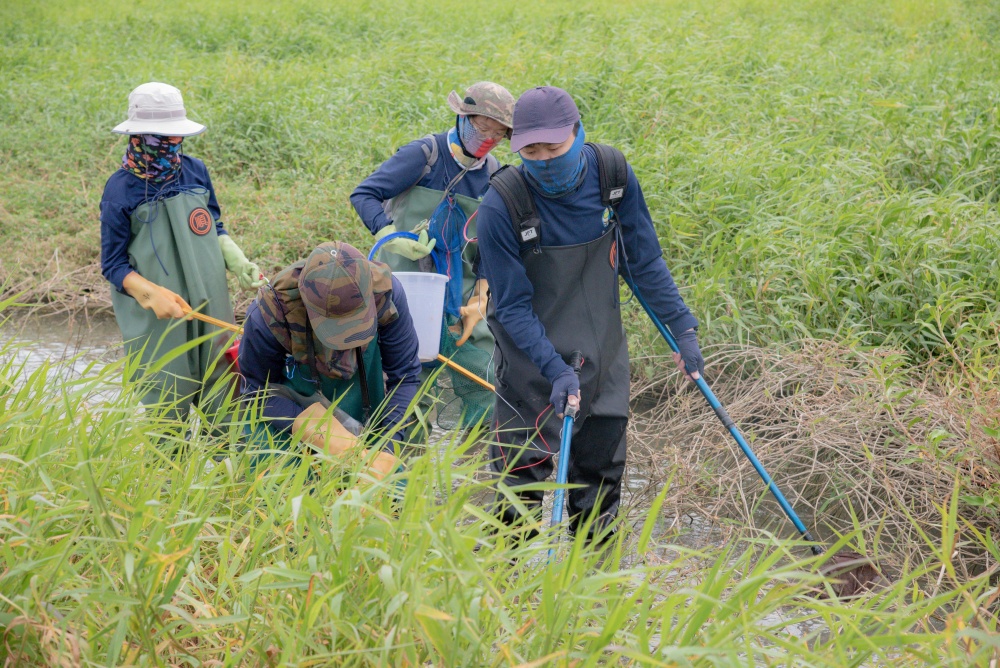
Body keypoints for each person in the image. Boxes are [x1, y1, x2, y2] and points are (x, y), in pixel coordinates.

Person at [476, 86, 706, 541]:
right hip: (531, 369)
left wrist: (682, 328)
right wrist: (554, 371)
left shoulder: (611, 176)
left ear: (578, 133)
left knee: (599, 496)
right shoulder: (501, 204)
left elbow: (643, 260)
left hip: (602, 362)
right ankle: (506, 600)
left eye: (554, 148)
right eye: (531, 151)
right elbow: (513, 307)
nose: (543, 160)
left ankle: (593, 601)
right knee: (517, 502)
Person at [349, 82, 514, 426]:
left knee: (483, 378)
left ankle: (477, 462)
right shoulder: (425, 156)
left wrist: (481, 293)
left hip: (460, 297)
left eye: (498, 134)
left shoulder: (492, 171)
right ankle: (404, 456)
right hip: (407, 290)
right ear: (462, 117)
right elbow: (364, 193)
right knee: (407, 381)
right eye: (482, 127)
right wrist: (388, 234)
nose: (488, 138)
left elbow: (489, 237)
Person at [100, 82, 264, 424]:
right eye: (164, 138)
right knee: (167, 410)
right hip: (160, 317)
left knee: (225, 403)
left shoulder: (195, 170)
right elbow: (112, 265)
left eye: (177, 138)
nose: (174, 145)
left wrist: (235, 258)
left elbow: (212, 223)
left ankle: (225, 471)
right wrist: (149, 293)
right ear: (140, 136)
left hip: (210, 300)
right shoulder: (120, 189)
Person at [238, 241, 422, 476]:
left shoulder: (386, 294)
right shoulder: (272, 311)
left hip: (368, 412)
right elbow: (256, 392)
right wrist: (324, 435)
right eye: (335, 329)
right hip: (292, 416)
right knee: (280, 486)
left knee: (394, 489)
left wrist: (386, 450)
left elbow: (405, 376)